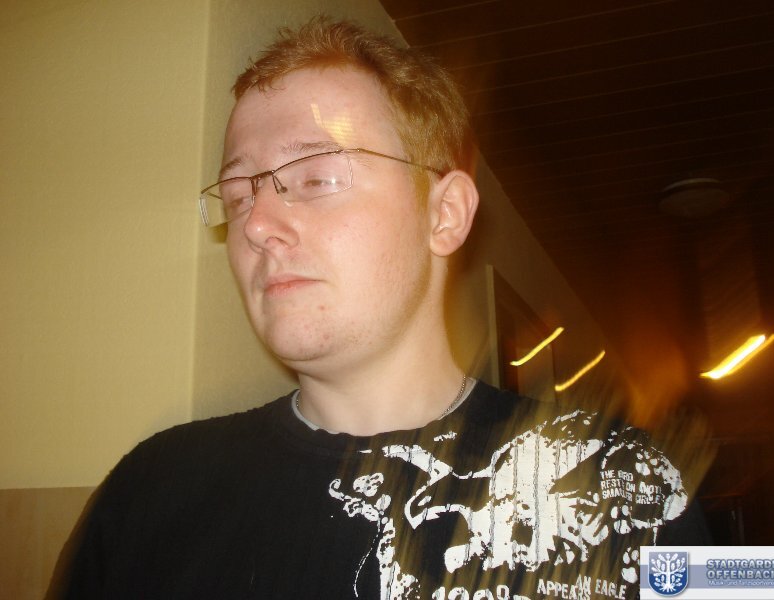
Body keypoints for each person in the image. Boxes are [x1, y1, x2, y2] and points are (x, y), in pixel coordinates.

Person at [58, 16, 708, 600]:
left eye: (316, 177)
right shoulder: (149, 493)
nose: (255, 225)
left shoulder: (628, 486)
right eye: (237, 197)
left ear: (444, 214)